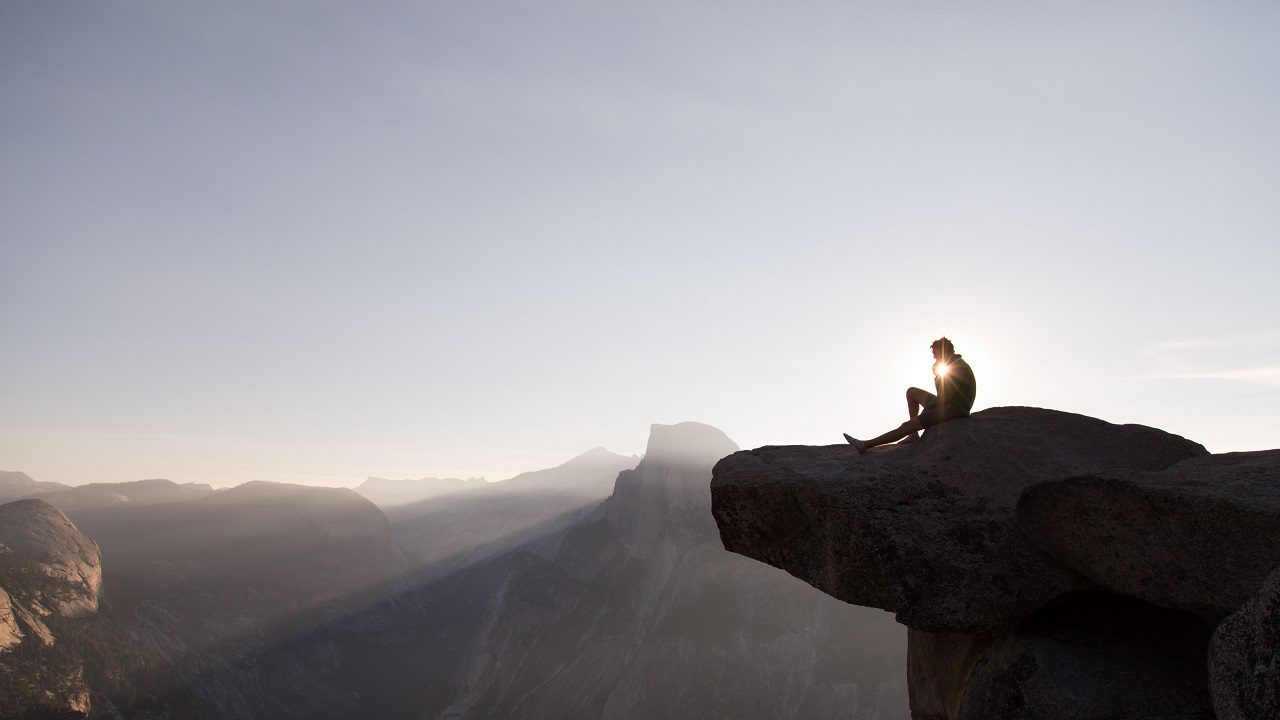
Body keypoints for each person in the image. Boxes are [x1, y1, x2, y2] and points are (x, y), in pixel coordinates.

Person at [843, 336, 976, 454]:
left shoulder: (957, 368)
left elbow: (945, 398)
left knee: (908, 425)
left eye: (936, 355)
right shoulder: (952, 365)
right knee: (911, 392)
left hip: (954, 408)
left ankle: (865, 445)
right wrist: (937, 376)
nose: (935, 358)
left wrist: (927, 410)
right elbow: (943, 393)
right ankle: (913, 435)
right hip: (947, 402)